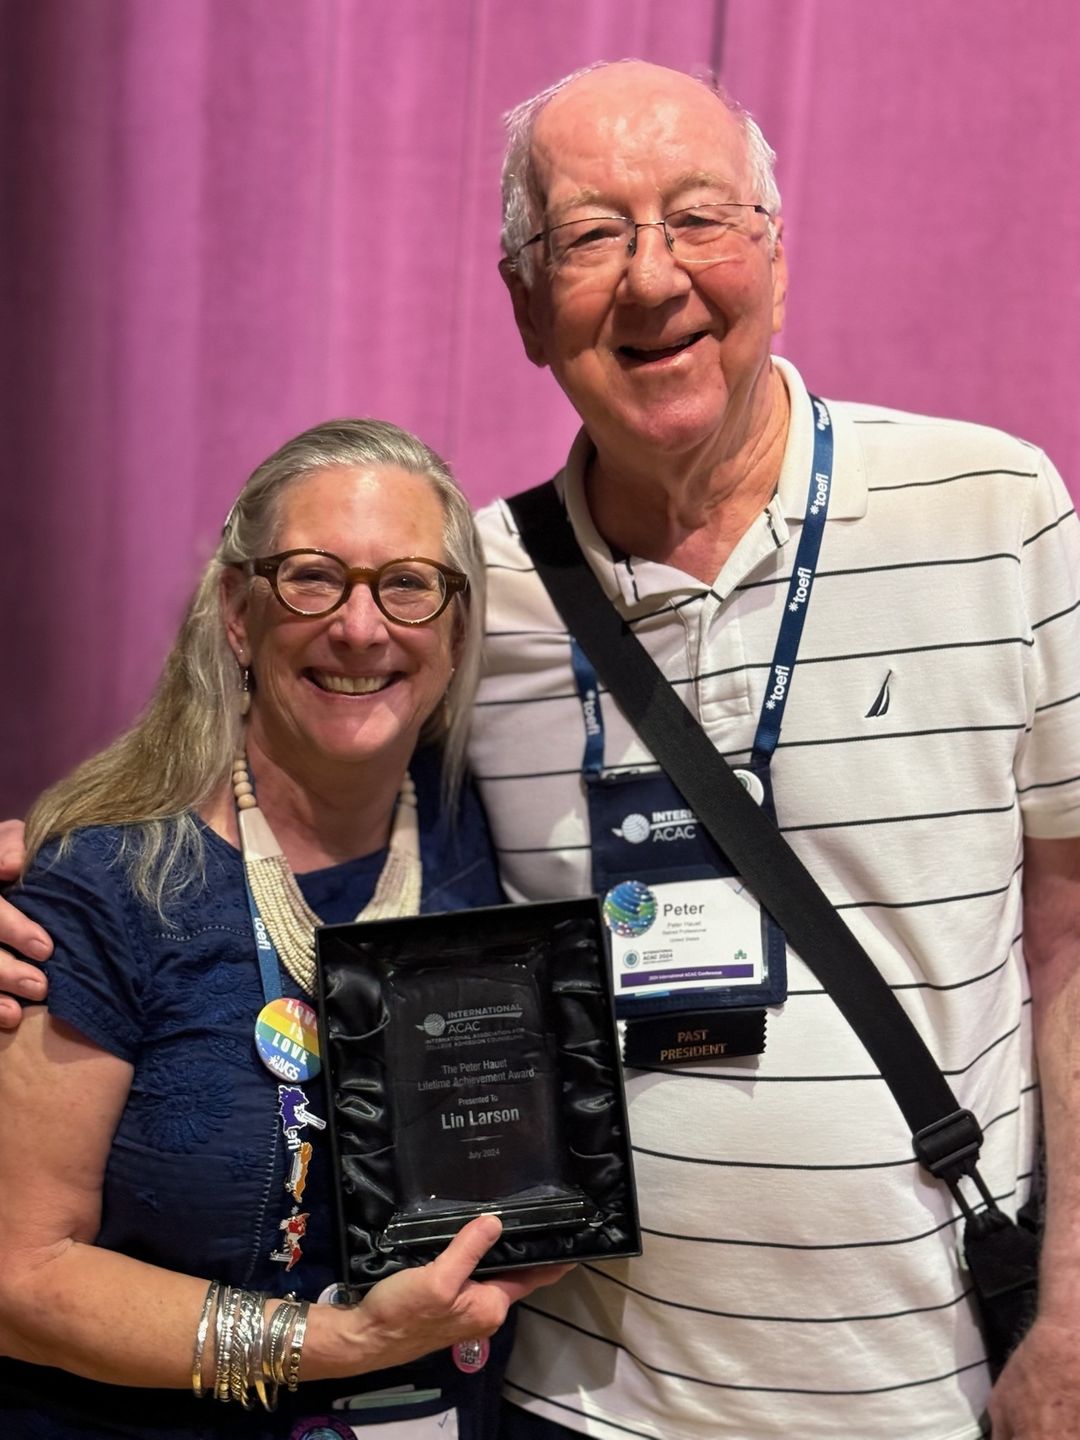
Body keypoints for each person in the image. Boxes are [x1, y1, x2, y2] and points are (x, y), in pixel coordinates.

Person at [1, 57, 1078, 1440]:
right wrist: (58, 882)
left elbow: (1070, 938)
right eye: (587, 236)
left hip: (924, 1394)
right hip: (567, 1402)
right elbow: (243, 799)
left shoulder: (993, 510)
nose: (651, 280)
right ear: (521, 300)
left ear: (775, 252)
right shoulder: (479, 594)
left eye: (700, 218)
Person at [0, 418, 569, 1439]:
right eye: (313, 578)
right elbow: (18, 1275)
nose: (360, 629)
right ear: (236, 611)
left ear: (455, 627)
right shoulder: (110, 886)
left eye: (407, 584)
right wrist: (334, 1342)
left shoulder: (490, 832)